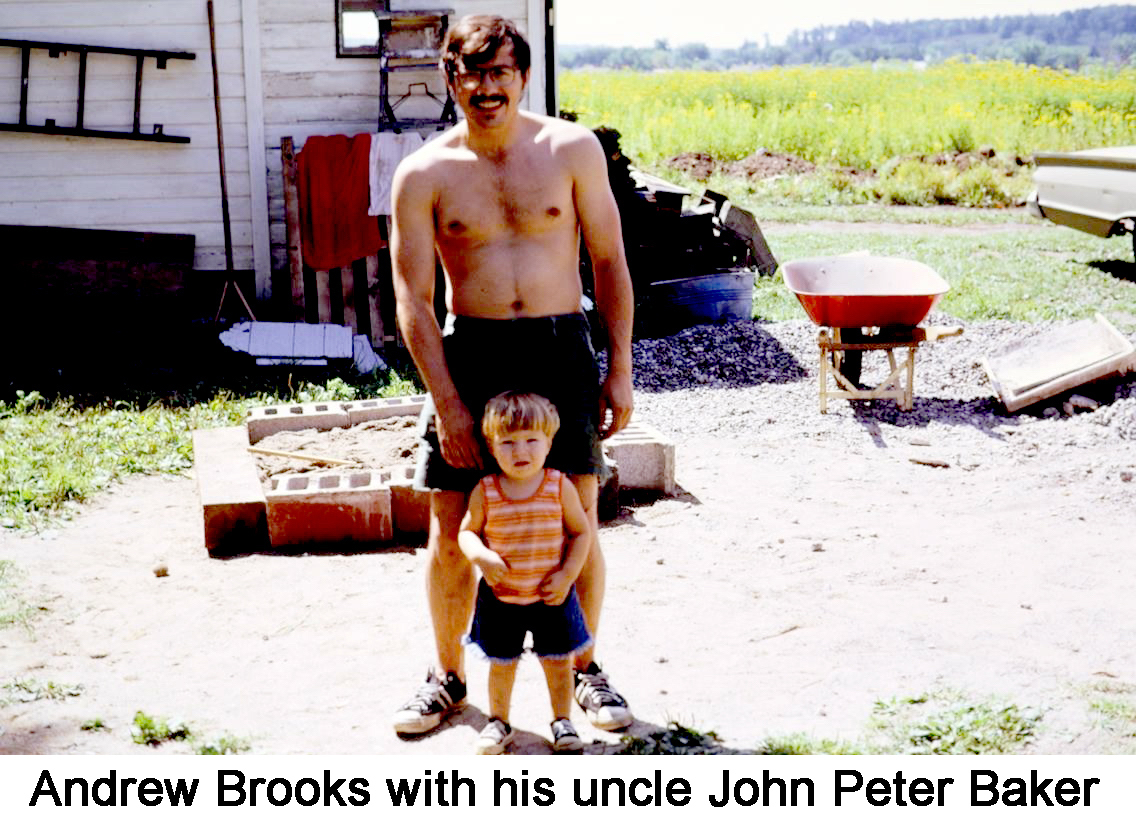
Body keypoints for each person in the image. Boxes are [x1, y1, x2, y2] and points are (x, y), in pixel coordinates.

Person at [389, 14, 635, 737]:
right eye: (471, 72)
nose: (486, 87)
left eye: (500, 72)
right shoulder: (424, 173)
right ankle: (447, 677)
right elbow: (412, 296)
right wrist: (446, 403)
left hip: (561, 347)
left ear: (522, 76)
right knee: (450, 525)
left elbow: (612, 262)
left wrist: (619, 366)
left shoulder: (572, 149)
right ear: (451, 79)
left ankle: (585, 668)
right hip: (476, 351)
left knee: (577, 520)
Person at [458, 392, 593, 753]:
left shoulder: (558, 485)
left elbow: (582, 533)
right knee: (502, 664)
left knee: (557, 662)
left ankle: (562, 721)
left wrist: (567, 574)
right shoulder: (486, 491)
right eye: (508, 442)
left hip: (553, 596)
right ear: (491, 445)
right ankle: (499, 721)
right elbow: (467, 532)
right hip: (502, 598)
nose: (521, 451)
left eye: (532, 440)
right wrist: (482, 557)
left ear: (549, 442)